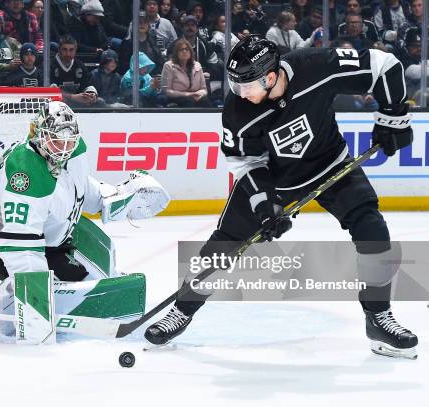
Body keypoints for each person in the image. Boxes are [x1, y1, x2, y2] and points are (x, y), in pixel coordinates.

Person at [145, 35, 417, 359]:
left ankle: (378, 317)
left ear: (270, 76)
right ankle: (182, 310)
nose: (240, 93)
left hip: (330, 164)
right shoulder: (237, 110)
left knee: (372, 228)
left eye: (247, 86)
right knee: (225, 243)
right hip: (275, 180)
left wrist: (394, 116)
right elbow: (245, 161)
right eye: (235, 85)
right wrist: (265, 205)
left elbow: (384, 65)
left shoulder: (315, 66)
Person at [0, 100, 168, 340]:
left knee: (107, 268)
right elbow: (18, 245)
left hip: (52, 235)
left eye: (69, 141)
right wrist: (35, 303)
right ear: (38, 135)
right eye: (56, 140)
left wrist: (114, 198)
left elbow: (78, 186)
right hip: (4, 248)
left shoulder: (73, 151)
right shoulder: (25, 172)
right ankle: (5, 299)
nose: (63, 148)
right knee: (101, 294)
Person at [50, 35, 100, 108]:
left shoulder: (80, 65)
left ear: (75, 50)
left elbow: (88, 84)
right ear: (59, 49)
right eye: (64, 50)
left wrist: (91, 94)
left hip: (78, 105)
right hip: (56, 106)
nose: (68, 54)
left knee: (100, 102)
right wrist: (72, 97)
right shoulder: (49, 65)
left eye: (71, 50)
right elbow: (48, 91)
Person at [160, 38, 209, 107]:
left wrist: (199, 94)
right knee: (188, 102)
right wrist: (188, 94)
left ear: (191, 52)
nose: (184, 51)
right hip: (176, 98)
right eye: (181, 49)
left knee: (205, 102)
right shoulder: (168, 66)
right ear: (176, 52)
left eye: (187, 49)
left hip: (195, 97)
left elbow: (204, 89)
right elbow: (166, 91)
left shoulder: (197, 65)